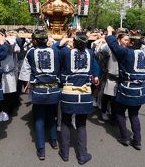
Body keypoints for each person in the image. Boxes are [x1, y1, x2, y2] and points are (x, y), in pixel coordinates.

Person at [19, 29, 61, 161]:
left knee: (38, 119)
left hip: (38, 91)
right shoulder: (56, 51)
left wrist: (27, 83)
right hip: (54, 90)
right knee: (51, 115)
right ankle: (54, 141)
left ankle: (41, 149)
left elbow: (25, 72)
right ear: (46, 40)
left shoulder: (31, 52)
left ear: (35, 40)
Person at [58, 32, 100, 165]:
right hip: (85, 92)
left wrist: (63, 42)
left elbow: (54, 50)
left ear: (74, 42)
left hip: (68, 92)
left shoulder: (65, 52)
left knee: (65, 121)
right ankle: (82, 155)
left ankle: (65, 153)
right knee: (82, 124)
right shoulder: (91, 53)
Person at [106, 26, 145, 150]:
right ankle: (137, 140)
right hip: (141, 89)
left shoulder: (126, 52)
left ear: (132, 42)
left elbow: (112, 44)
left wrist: (109, 32)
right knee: (134, 115)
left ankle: (125, 137)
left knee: (119, 112)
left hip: (128, 89)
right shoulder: (143, 55)